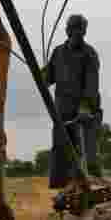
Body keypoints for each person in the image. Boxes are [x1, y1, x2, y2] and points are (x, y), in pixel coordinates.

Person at [44, 13, 102, 188]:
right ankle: (67, 192)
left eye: (81, 30)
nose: (77, 33)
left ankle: (91, 187)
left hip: (84, 113)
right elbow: (48, 78)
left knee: (87, 154)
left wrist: (84, 108)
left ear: (84, 32)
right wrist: (40, 75)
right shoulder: (58, 52)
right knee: (62, 153)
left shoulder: (89, 53)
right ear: (68, 31)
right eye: (74, 29)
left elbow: (91, 84)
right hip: (62, 112)